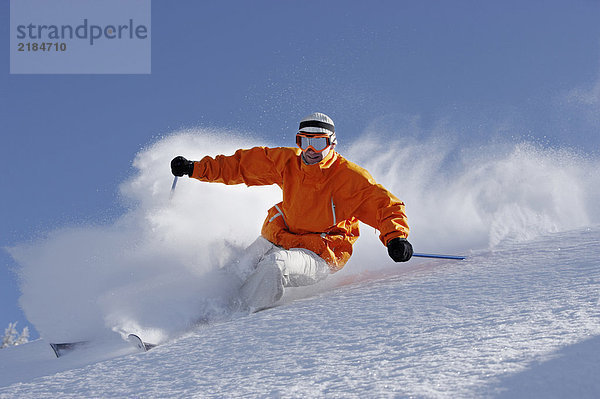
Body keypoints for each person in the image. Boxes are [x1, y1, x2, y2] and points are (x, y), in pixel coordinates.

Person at [171, 112, 412, 311]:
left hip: (321, 252)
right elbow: (242, 166)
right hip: (280, 237)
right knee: (236, 269)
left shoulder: (348, 178)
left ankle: (231, 319)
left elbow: (385, 205)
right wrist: (195, 168)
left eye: (318, 142)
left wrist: (396, 238)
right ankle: (189, 317)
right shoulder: (288, 162)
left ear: (332, 143)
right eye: (303, 141)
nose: (310, 149)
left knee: (275, 265)